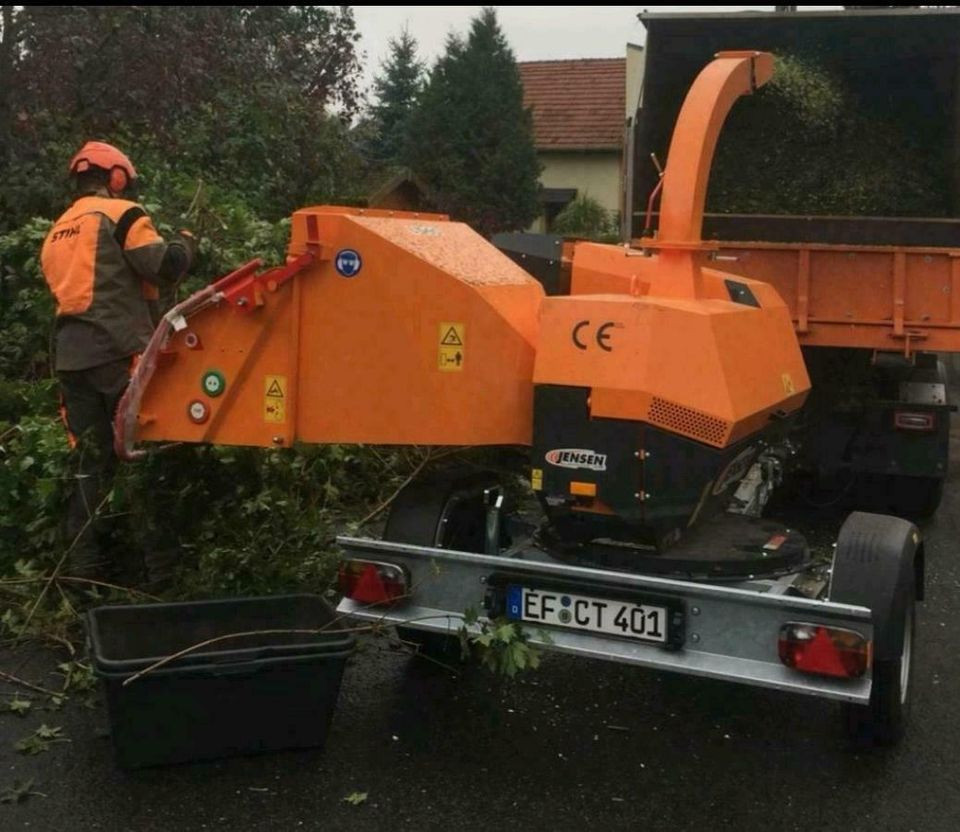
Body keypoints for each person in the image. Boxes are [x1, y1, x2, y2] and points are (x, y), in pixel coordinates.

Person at [40, 141, 196, 581]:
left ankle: (81, 571)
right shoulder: (122, 213)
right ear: (117, 177)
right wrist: (186, 244)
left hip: (71, 360)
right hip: (119, 353)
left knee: (91, 465)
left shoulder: (56, 230)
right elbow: (162, 266)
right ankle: (163, 572)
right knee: (141, 454)